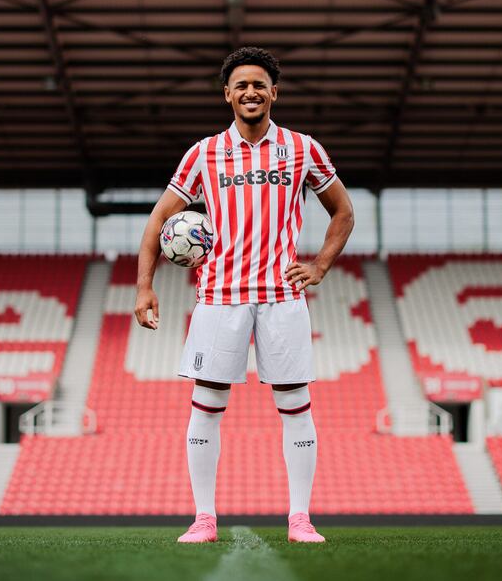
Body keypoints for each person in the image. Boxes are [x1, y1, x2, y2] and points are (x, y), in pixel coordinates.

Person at [133, 47, 354, 544]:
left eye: (259, 85)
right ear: (227, 95)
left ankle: (300, 519)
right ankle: (204, 519)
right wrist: (145, 286)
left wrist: (320, 264)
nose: (250, 92)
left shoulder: (302, 148)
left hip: (281, 295)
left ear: (274, 92)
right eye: (241, 86)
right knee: (207, 403)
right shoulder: (203, 153)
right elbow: (159, 218)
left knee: (296, 402)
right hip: (219, 296)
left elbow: (343, 211)